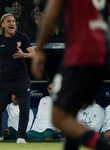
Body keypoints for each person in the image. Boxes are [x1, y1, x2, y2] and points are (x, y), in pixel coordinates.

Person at [31, 0, 110, 149]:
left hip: (81, 51)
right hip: (102, 50)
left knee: (59, 118)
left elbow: (53, 12)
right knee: (71, 115)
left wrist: (39, 49)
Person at [0, 13, 35, 144]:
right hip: (4, 80)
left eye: (13, 21)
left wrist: (23, 54)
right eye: (8, 21)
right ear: (2, 25)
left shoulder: (22, 37)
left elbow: (34, 53)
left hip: (21, 79)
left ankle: (21, 137)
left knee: (24, 109)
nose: (12, 23)